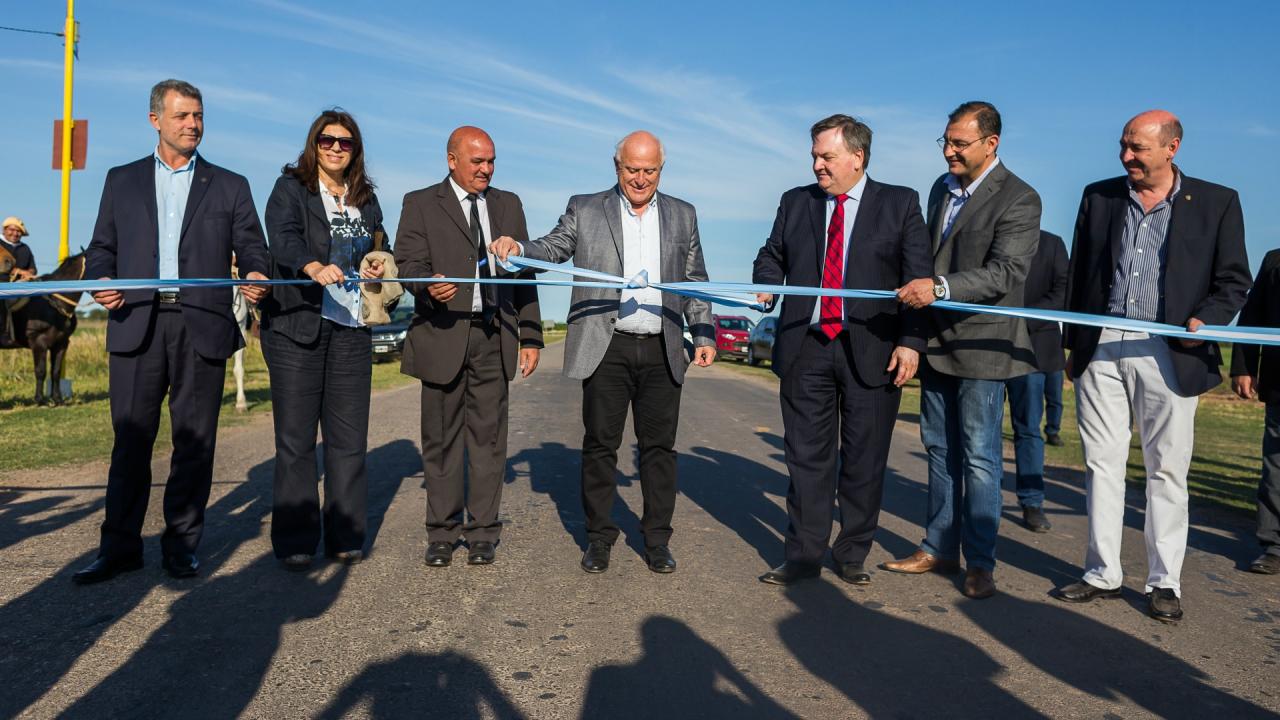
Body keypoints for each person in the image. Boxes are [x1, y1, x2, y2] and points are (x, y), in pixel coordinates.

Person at [1056, 110, 1250, 622]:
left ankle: (1164, 583)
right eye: (1122, 145)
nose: (1126, 158)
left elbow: (1234, 280)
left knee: (1166, 470)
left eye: (1137, 148)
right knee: (1102, 464)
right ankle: (1101, 573)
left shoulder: (1217, 202)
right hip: (1101, 344)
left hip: (1171, 349)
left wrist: (1204, 319)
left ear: (1172, 148)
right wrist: (1074, 346)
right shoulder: (1099, 196)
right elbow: (1080, 276)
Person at [492, 130, 716, 574]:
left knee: (659, 450)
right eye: (632, 169)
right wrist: (519, 249)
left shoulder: (683, 215)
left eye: (649, 170)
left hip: (662, 347)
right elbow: (553, 247)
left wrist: (704, 334)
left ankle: (656, 541)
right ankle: (599, 538)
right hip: (606, 347)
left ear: (660, 171)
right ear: (617, 167)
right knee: (599, 447)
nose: (640, 178)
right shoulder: (586, 207)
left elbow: (696, 280)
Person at [75, 79, 271, 584]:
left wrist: (254, 272)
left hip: (200, 325)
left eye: (198, 115)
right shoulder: (122, 181)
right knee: (131, 441)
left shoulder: (231, 185)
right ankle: (119, 548)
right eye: (182, 116)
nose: (193, 125)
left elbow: (253, 247)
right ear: (155, 119)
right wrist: (100, 279)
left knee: (195, 442)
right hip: (135, 323)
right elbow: (101, 248)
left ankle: (181, 546)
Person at [751, 114, 931, 586]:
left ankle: (851, 551)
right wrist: (768, 283)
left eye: (826, 156)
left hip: (873, 350)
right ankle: (804, 554)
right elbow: (771, 255)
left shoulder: (900, 204)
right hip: (806, 346)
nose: (817, 166)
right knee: (806, 459)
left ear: (857, 157)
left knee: (865, 459)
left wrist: (911, 342)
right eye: (814, 155)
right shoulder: (796, 202)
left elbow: (918, 279)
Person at [884, 101, 1041, 600]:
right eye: (945, 142)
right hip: (936, 342)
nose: (948, 151)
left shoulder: (1020, 198)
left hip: (983, 343)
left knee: (979, 457)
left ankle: (981, 562)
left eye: (959, 143)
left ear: (990, 144)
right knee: (939, 450)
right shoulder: (940, 189)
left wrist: (940, 287)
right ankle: (937, 547)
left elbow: (1006, 273)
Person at [394, 126, 543, 568]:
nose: (486, 169)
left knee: (489, 440)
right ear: (451, 160)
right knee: (440, 441)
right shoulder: (419, 203)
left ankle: (483, 533)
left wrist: (531, 335)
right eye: (477, 161)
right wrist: (426, 286)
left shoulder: (508, 204)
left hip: (494, 336)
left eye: (491, 161)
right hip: (442, 334)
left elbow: (524, 274)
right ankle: (441, 533)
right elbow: (408, 264)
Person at [259, 109, 396, 571]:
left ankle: (345, 534)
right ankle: (297, 540)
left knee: (348, 439)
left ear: (355, 149)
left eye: (345, 142)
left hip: (352, 328)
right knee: (297, 441)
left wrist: (379, 261)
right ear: (313, 143)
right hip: (298, 325)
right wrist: (310, 265)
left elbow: (382, 244)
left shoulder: (367, 197)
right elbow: (281, 237)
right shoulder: (291, 188)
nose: (336, 148)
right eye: (327, 140)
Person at [1004, 230, 1068, 532]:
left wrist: (1021, 320)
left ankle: (1032, 502)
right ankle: (982, 500)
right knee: (980, 430)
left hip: (1033, 349)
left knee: (1028, 429)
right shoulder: (994, 236)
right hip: (986, 344)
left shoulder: (1052, 244)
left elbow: (1063, 290)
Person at [1232, 250, 1280, 575]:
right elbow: (1252, 316)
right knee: (1276, 468)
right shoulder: (1275, 261)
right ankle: (1274, 545)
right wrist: (1244, 366)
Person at [0, 216, 37, 347]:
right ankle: (4, 335)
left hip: (22, 285)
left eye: (18, 231)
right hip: (3, 284)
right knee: (3, 300)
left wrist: (29, 273)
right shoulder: (1, 245)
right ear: (4, 230)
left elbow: (33, 268)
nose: (15, 233)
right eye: (12, 230)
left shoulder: (25, 248)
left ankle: (31, 333)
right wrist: (18, 271)